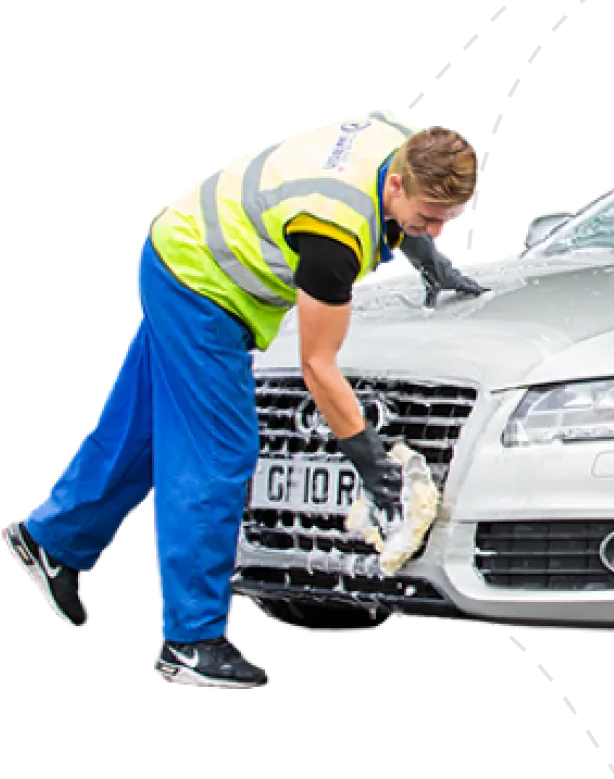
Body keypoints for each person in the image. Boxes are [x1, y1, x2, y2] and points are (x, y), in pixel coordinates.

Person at [5, 106, 488, 686]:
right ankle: (190, 641)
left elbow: (399, 207)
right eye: (429, 219)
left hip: (179, 247)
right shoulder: (334, 231)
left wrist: (429, 258)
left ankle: (53, 539)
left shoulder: (410, 145)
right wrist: (368, 456)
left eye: (448, 222)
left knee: (148, 425)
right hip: (200, 282)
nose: (436, 230)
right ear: (395, 184)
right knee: (218, 454)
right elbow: (317, 365)